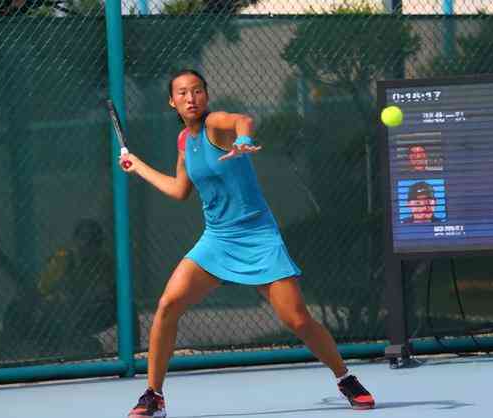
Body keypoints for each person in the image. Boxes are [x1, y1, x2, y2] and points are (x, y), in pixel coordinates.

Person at [120, 69, 375, 418]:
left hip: (258, 236)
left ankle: (345, 378)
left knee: (298, 320)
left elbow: (243, 120)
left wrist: (241, 139)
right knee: (168, 305)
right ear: (171, 102)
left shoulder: (216, 125)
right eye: (182, 93)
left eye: (197, 90)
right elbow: (180, 190)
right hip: (217, 239)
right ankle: (154, 396)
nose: (191, 98)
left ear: (206, 95)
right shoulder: (183, 141)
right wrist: (138, 166)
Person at [3, 219, 116, 357]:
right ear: (75, 240)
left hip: (90, 307)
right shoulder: (63, 258)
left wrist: (99, 294)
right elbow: (43, 289)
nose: (87, 246)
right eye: (84, 240)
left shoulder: (104, 262)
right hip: (63, 308)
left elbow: (107, 289)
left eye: (94, 242)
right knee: (60, 305)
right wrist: (62, 294)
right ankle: (60, 345)